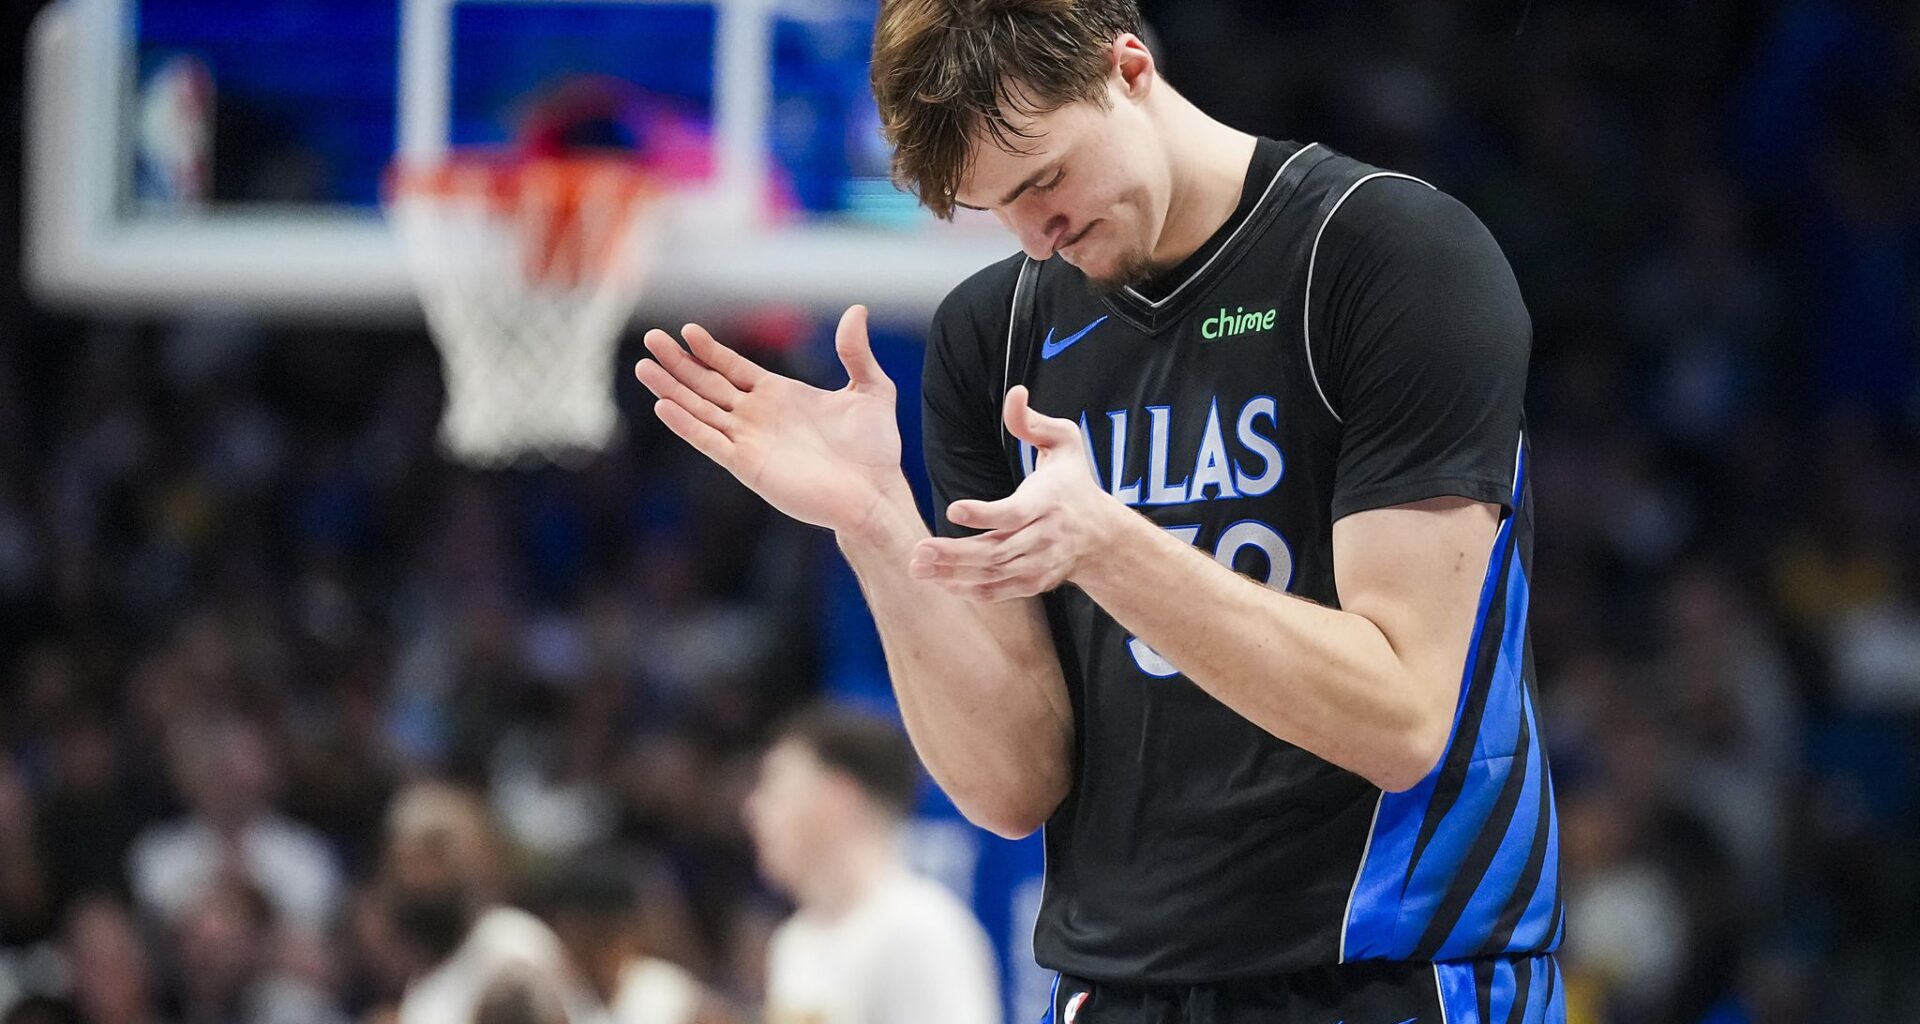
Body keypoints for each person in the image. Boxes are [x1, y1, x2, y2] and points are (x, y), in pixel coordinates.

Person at [633, 0, 1562, 1019]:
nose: (1039, 231)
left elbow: (1404, 716)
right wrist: (875, 521)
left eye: (1045, 179)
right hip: (1115, 985)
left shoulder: (1389, 256)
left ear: (1129, 69)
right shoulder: (996, 332)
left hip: (1395, 976)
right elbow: (1012, 784)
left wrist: (1113, 546)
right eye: (1000, 209)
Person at [741, 708, 1000, 1024]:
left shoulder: (917, 929)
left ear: (838, 797)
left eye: (775, 789)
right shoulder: (795, 942)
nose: (753, 810)